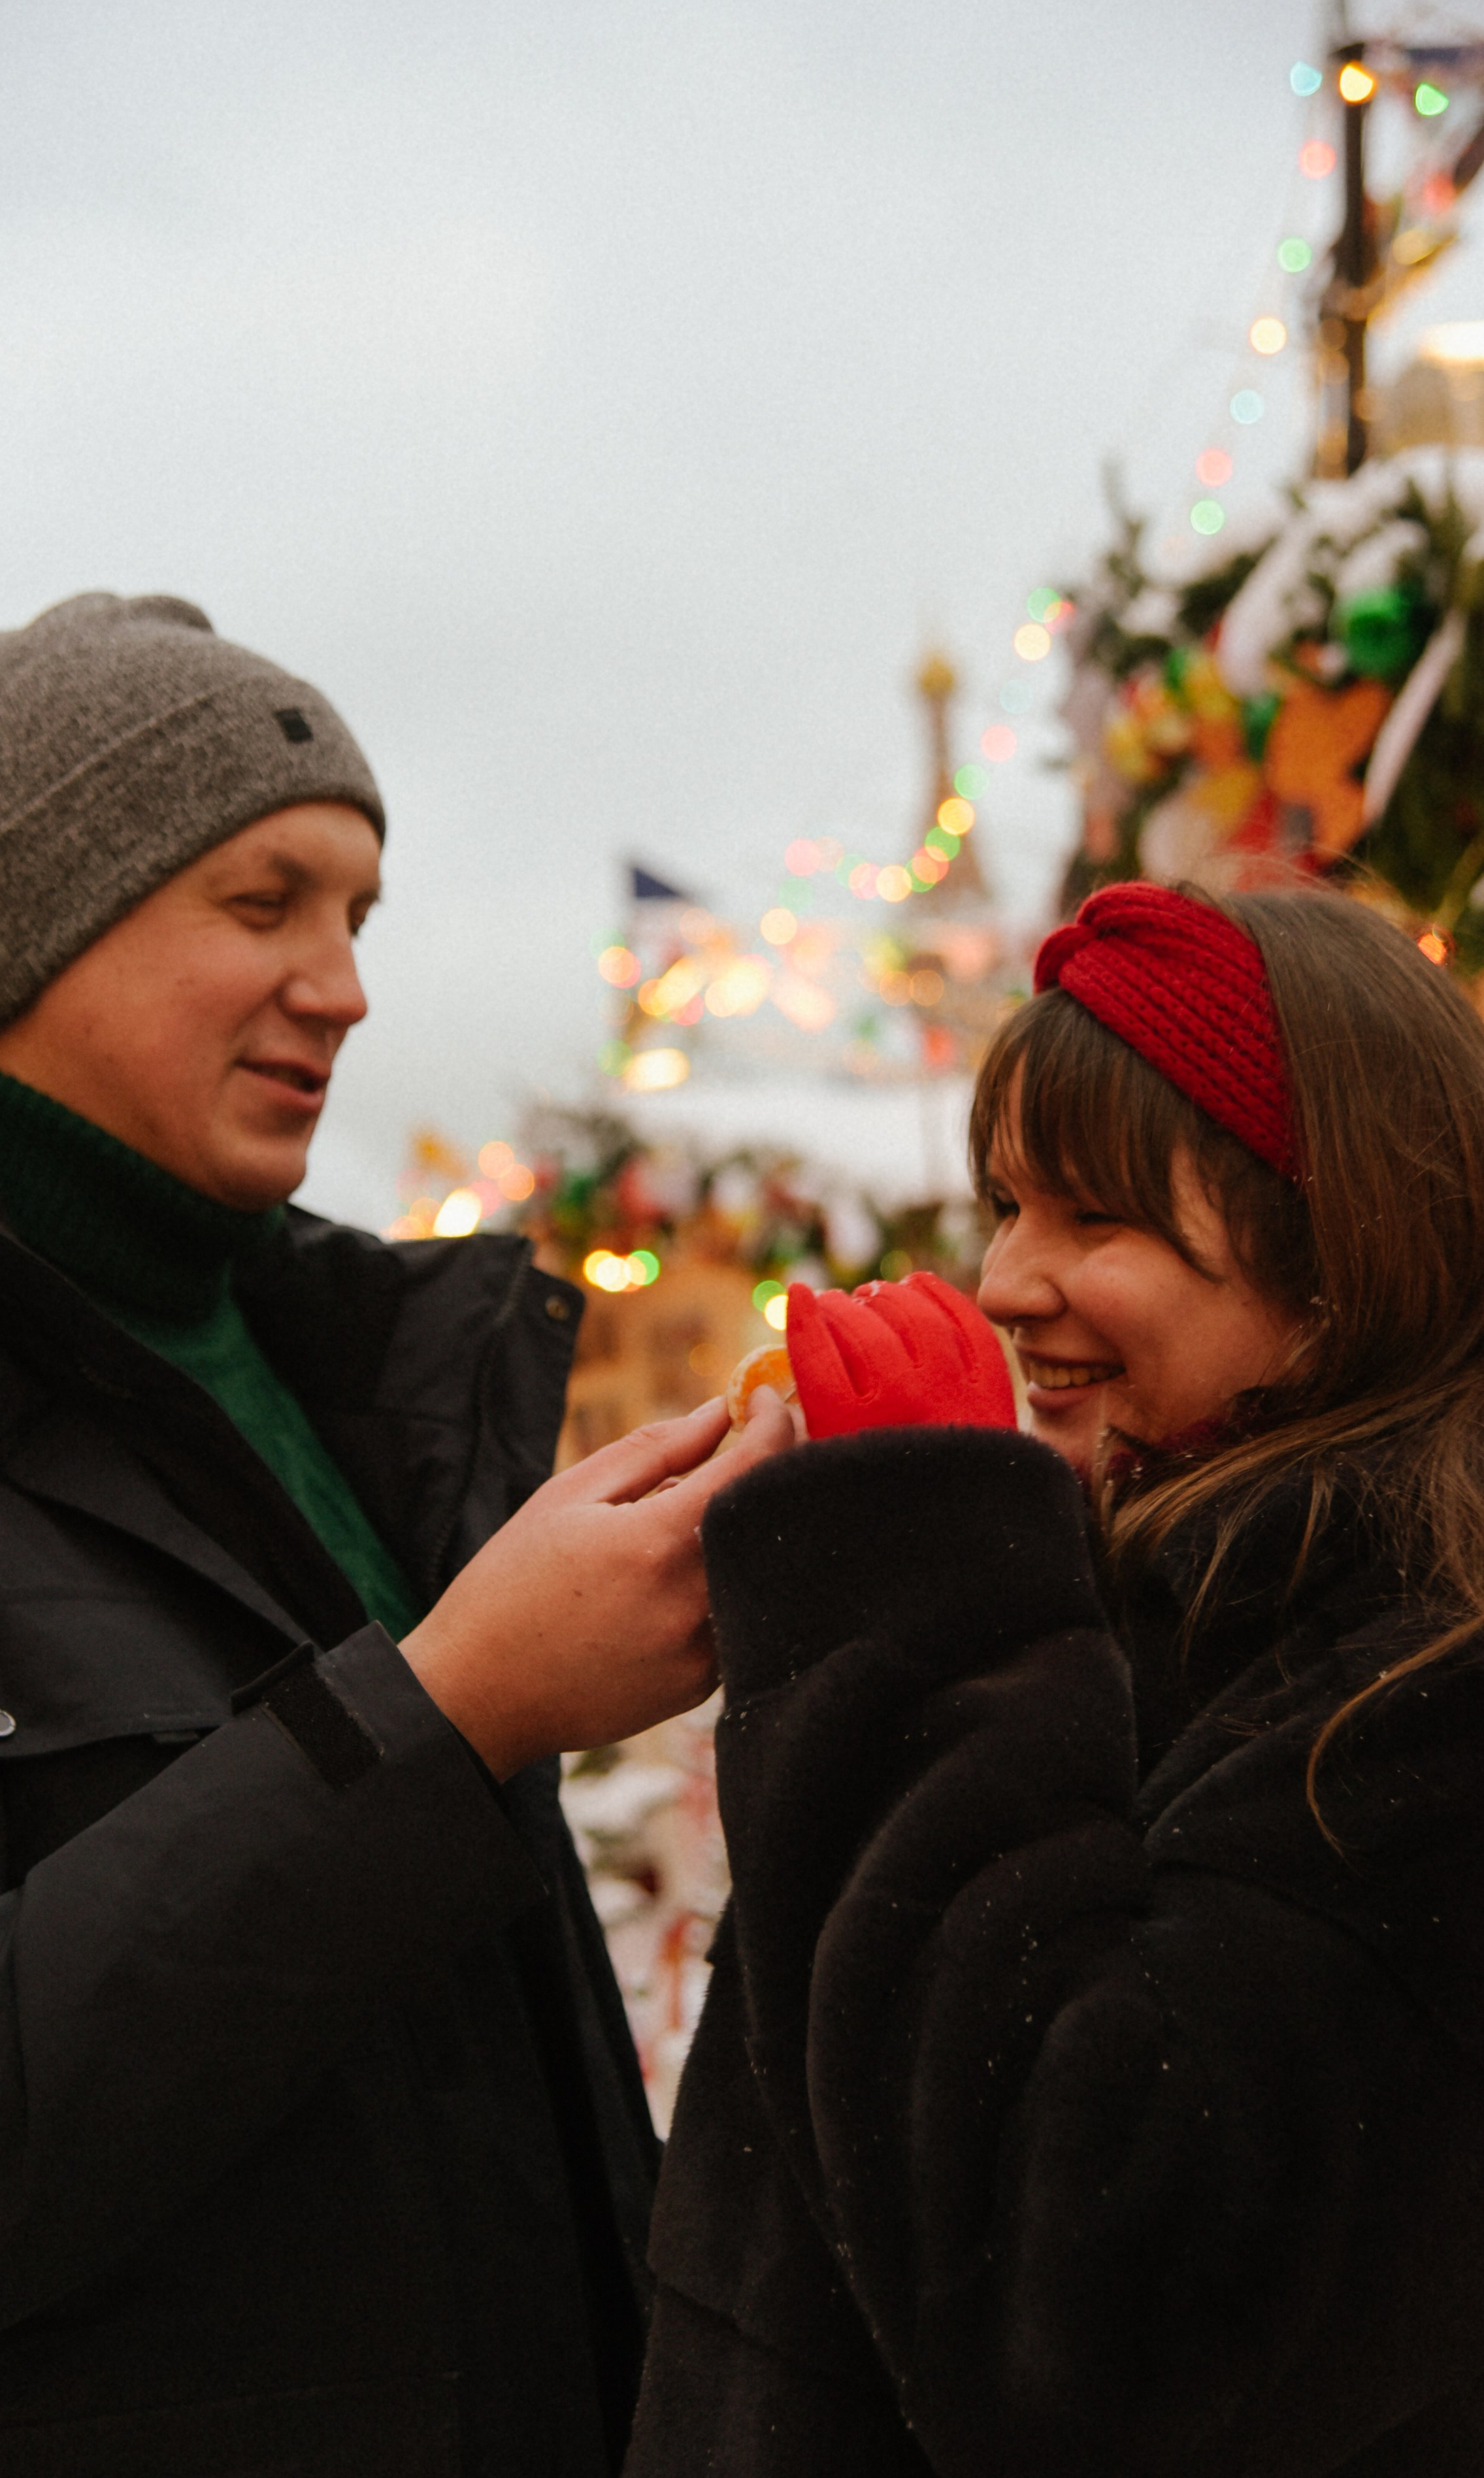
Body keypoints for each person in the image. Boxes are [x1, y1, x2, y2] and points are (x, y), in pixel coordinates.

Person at [0, 591, 789, 2477]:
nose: (341, 983)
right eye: (263, 906)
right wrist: (455, 1706)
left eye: (357, 916)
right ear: (43, 928)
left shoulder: (364, 1370)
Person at [626, 881, 1484, 2477]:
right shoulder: (1150, 1584)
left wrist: (922, 1590)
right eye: (1005, 1205)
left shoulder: (1419, 1693)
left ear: (1333, 1256)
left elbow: (1084, 2310)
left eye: (1092, 1217)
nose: (1009, 1278)